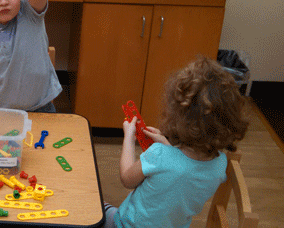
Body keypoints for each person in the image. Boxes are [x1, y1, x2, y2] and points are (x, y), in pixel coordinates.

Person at [102, 56, 249, 228]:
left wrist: (128, 137)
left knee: (92, 205)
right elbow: (184, 168)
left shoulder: (159, 155)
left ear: (177, 114)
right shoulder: (220, 165)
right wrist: (168, 146)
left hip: (126, 225)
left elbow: (127, 178)